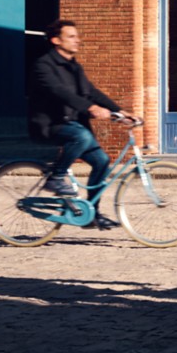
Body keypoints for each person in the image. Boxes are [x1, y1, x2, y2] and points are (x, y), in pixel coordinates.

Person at [29, 19, 136, 229]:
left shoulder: (74, 67)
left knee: (101, 161)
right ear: (56, 41)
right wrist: (90, 108)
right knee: (82, 136)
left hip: (74, 124)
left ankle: (92, 214)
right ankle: (56, 177)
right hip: (50, 125)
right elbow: (59, 92)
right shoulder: (43, 65)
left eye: (77, 36)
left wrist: (119, 110)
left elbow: (92, 92)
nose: (77, 40)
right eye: (71, 36)